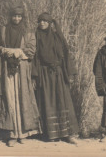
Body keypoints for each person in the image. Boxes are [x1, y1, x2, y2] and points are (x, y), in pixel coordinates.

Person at [0, 6, 41, 147]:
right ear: (10, 17)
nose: (16, 19)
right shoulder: (3, 30)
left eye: (19, 16)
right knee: (10, 98)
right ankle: (12, 134)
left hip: (22, 68)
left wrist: (16, 52)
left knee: (22, 97)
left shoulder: (28, 33)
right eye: (14, 16)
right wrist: (5, 50)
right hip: (7, 69)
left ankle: (23, 134)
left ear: (22, 18)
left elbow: (31, 50)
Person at [32, 12, 79, 144]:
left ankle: (68, 134)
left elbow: (65, 53)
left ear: (50, 23)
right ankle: (51, 134)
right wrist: (34, 77)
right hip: (44, 73)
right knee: (48, 102)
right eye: (40, 21)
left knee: (63, 101)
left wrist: (69, 73)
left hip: (58, 73)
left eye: (45, 21)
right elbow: (34, 58)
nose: (42, 23)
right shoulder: (36, 36)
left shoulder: (57, 37)